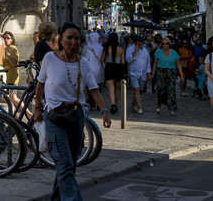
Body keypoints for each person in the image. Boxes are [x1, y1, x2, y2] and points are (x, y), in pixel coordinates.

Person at [35, 23, 110, 201]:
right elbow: (40, 84)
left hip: (76, 117)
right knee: (65, 163)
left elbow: (93, 88)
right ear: (60, 39)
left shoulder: (83, 63)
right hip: (54, 116)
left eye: (77, 38)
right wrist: (37, 108)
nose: (73, 42)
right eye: (69, 37)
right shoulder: (49, 58)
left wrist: (104, 110)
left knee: (68, 166)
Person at [153, 34, 180, 115]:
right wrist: (153, 73)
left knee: (171, 90)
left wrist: (181, 74)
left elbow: (178, 64)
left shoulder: (174, 53)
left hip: (171, 72)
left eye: (166, 43)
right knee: (160, 90)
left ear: (169, 44)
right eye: (163, 43)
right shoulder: (158, 52)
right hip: (161, 72)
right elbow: (155, 63)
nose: (165, 45)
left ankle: (171, 107)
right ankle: (159, 105)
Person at [102, 32, 127, 114]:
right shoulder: (121, 49)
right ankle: (115, 104)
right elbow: (123, 62)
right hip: (118, 68)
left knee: (110, 88)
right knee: (117, 88)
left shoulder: (106, 48)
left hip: (109, 67)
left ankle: (112, 104)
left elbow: (101, 59)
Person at [127, 35, 151, 114]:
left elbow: (147, 63)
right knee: (136, 89)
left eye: (141, 44)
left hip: (142, 73)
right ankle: (140, 107)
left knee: (140, 90)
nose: (140, 46)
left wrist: (148, 73)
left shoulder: (145, 51)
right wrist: (135, 52)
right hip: (133, 72)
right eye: (138, 44)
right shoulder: (130, 49)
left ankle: (134, 104)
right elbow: (128, 59)